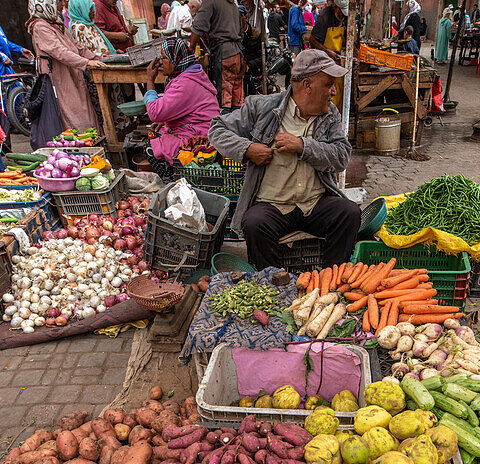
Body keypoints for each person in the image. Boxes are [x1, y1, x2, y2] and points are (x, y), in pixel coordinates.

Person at [209, 49, 359, 269]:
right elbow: (216, 128)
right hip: (273, 206)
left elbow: (341, 156)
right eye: (328, 85)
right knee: (254, 222)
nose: (333, 91)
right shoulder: (262, 107)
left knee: (349, 213)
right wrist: (248, 148)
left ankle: (331, 279)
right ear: (307, 85)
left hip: (314, 203)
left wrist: (303, 146)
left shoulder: (330, 115)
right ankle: (271, 285)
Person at [136, 38, 221, 178]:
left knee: (150, 148)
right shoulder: (190, 75)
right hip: (199, 128)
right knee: (158, 133)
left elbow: (154, 112)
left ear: (174, 59)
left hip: (200, 136)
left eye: (164, 58)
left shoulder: (185, 83)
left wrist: (150, 80)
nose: (161, 63)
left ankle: (173, 180)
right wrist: (165, 121)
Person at [27, 0, 109, 132]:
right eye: (57, 2)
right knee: (73, 112)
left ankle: (93, 141)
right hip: (59, 77)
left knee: (84, 108)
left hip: (73, 72)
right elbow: (59, 51)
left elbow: (76, 45)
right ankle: (81, 146)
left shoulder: (56, 22)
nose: (61, 5)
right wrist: (86, 63)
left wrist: (96, 57)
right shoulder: (40, 26)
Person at [192, 0, 246, 109]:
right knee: (237, 98)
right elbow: (241, 32)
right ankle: (237, 123)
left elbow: (198, 26)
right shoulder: (233, 6)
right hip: (237, 55)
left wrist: (191, 48)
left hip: (225, 55)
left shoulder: (211, 2)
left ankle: (225, 124)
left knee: (224, 99)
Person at [308, 0, 346, 106]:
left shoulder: (345, 17)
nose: (343, 15)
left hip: (337, 61)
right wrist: (328, 52)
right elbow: (312, 40)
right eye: (341, 12)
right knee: (326, 93)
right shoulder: (325, 16)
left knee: (337, 93)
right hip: (324, 62)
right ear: (335, 7)